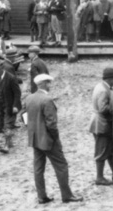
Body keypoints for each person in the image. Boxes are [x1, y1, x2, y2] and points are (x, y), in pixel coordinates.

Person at [25, 74, 83, 204]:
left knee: (38, 168)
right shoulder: (47, 100)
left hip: (35, 139)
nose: (50, 85)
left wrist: (32, 128)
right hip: (48, 140)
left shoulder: (29, 98)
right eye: (48, 83)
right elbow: (51, 124)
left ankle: (41, 196)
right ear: (44, 84)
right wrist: (56, 139)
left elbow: (23, 116)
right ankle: (66, 195)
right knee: (61, 166)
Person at [88, 67, 113, 185]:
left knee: (109, 150)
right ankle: (99, 177)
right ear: (110, 79)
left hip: (98, 122)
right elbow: (103, 108)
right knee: (101, 151)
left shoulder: (100, 86)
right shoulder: (104, 90)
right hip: (102, 124)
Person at [0, 56, 21, 153]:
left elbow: (17, 93)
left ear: (2, 68)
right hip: (0, 106)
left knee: (8, 125)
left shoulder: (11, 78)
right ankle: (10, 142)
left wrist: (15, 106)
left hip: (10, 105)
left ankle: (6, 146)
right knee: (1, 127)